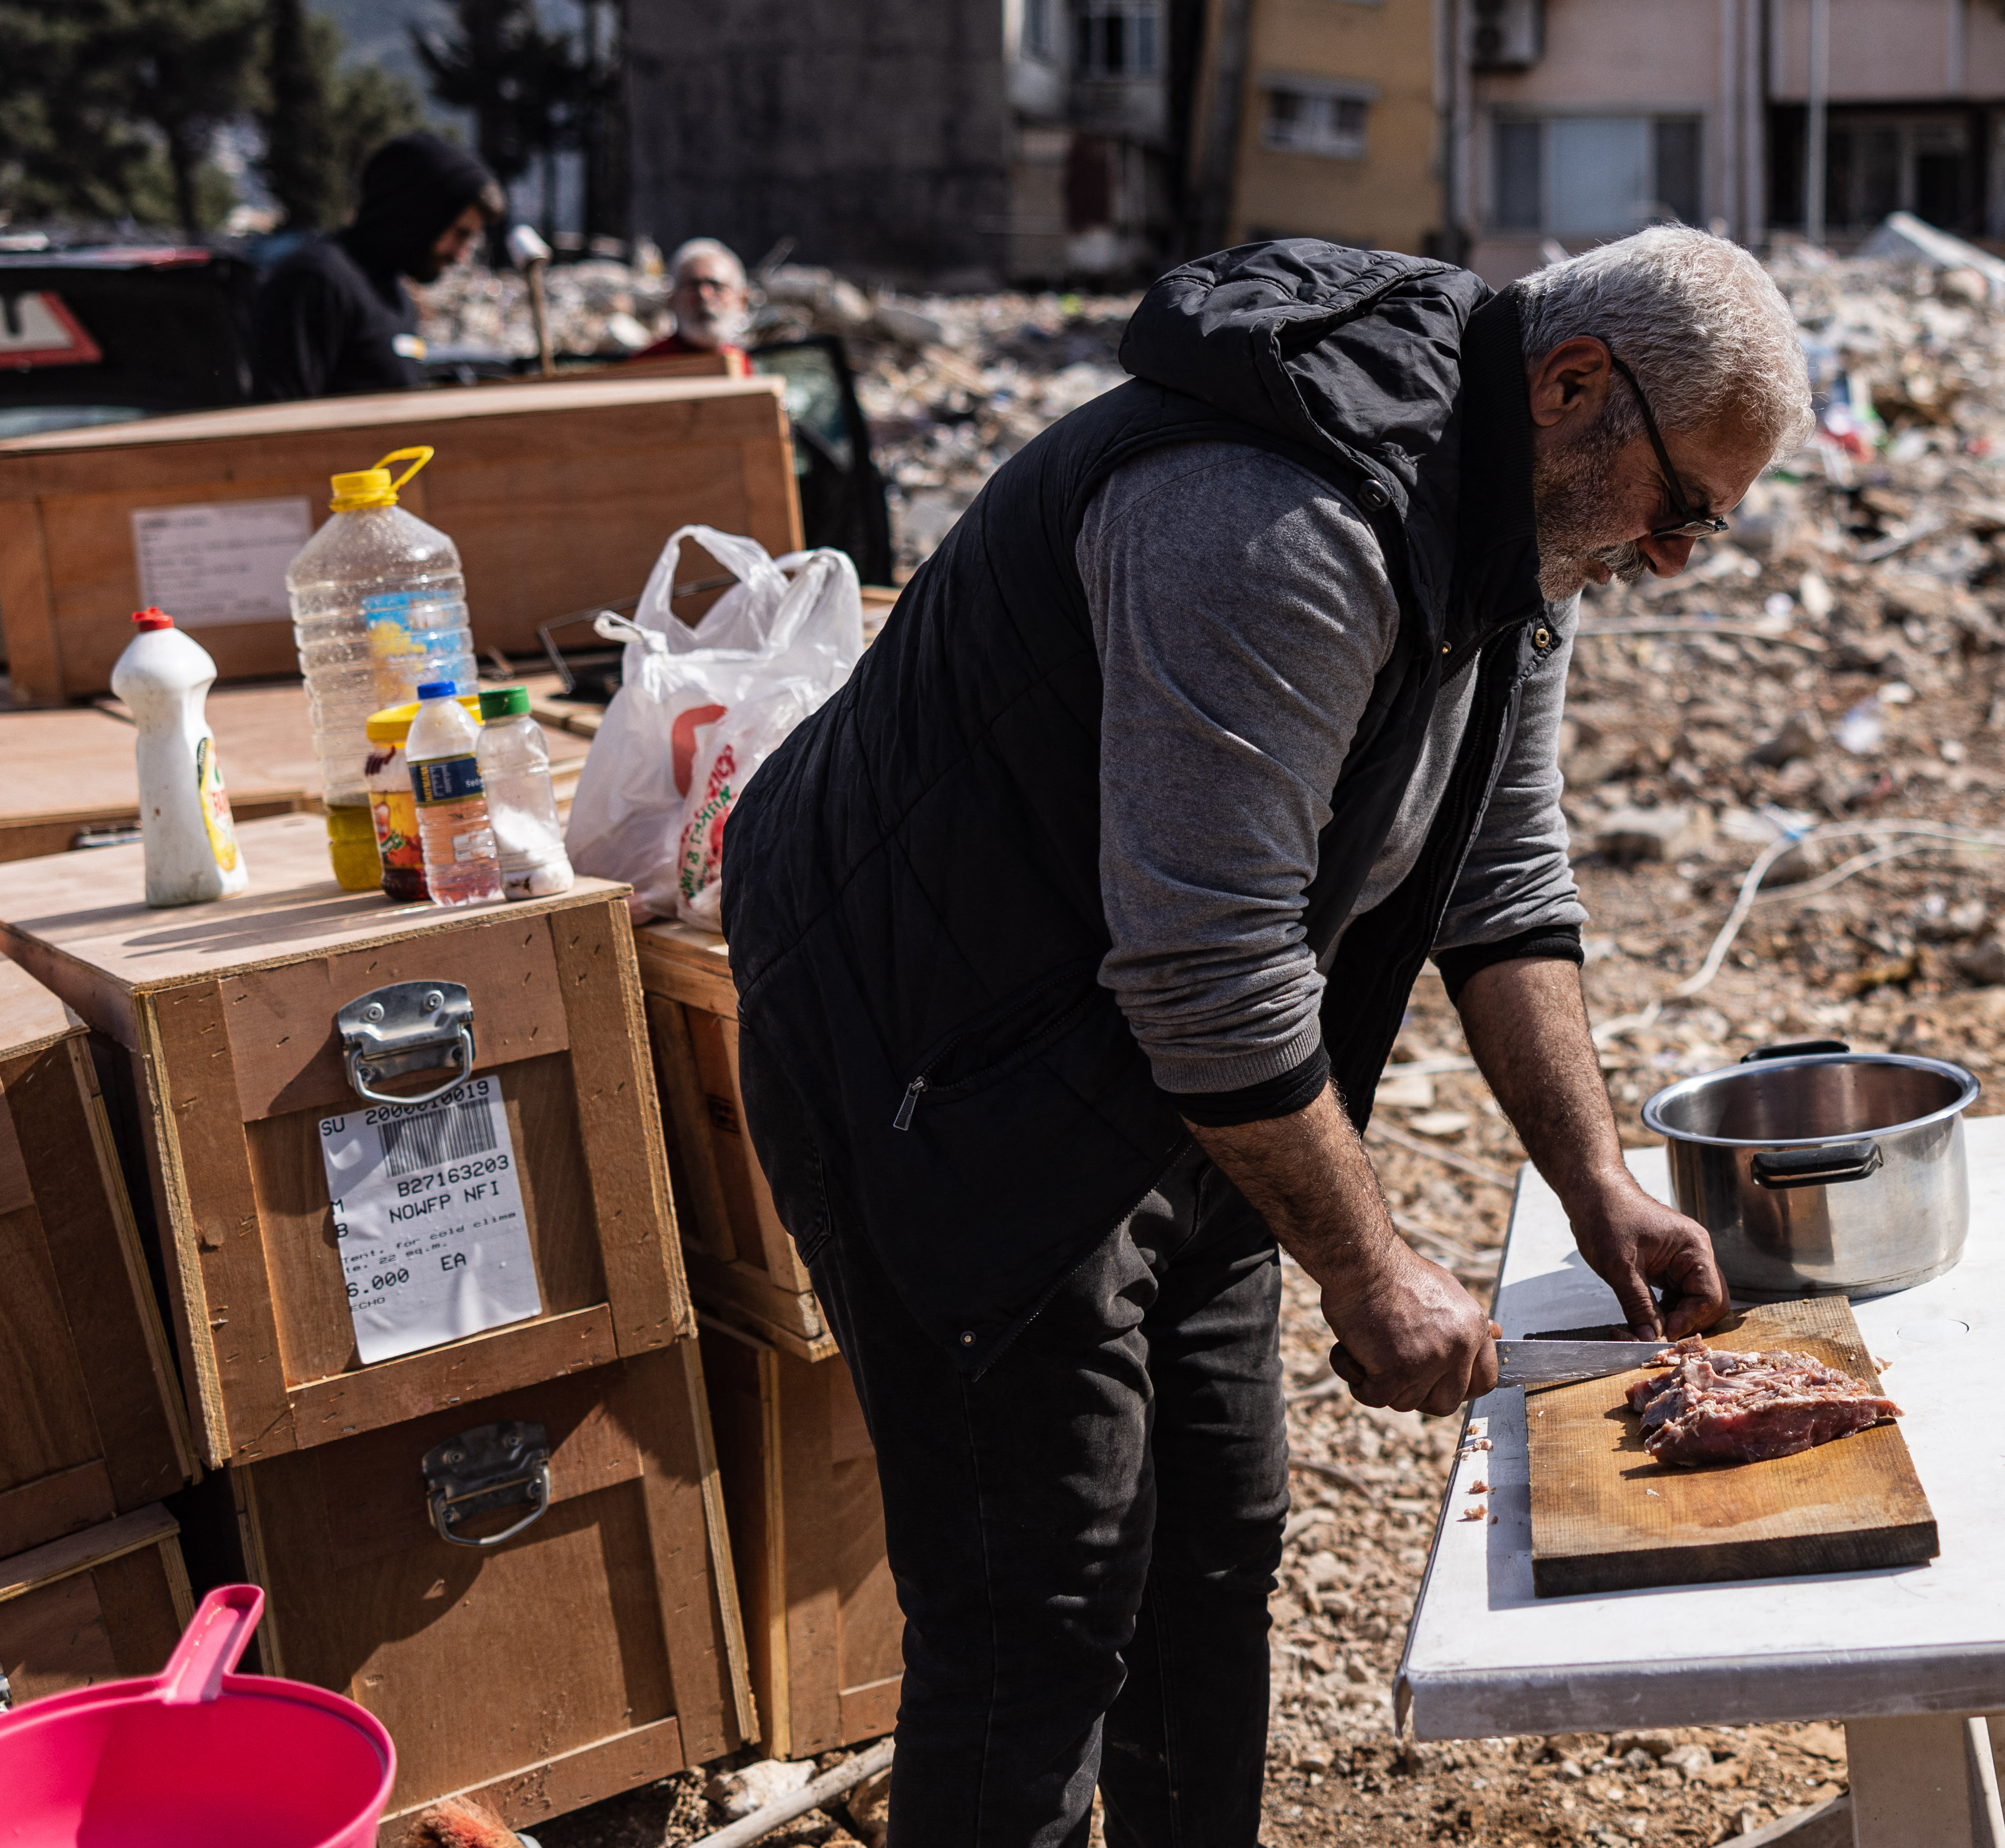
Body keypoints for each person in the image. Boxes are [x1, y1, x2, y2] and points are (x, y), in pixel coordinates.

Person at [723, 227, 1810, 1846]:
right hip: (931, 1060)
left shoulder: (1520, 523)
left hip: (1169, 1051)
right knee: (1040, 1621)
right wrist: (1372, 1270)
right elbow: (1208, 972)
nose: (1673, 558)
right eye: (1685, 509)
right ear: (1574, 383)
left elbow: (1496, 877)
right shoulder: (1272, 520)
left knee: (1213, 1548)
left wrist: (1597, 1185)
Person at [247, 132, 504, 401]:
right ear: (419, 215)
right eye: (459, 234)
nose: (461, 255)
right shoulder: (318, 281)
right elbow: (280, 421)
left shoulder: (396, 296)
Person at [626, 236, 755, 374]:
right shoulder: (647, 366)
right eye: (693, 286)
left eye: (717, 286)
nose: (704, 296)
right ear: (671, 300)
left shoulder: (741, 362)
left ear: (742, 301)